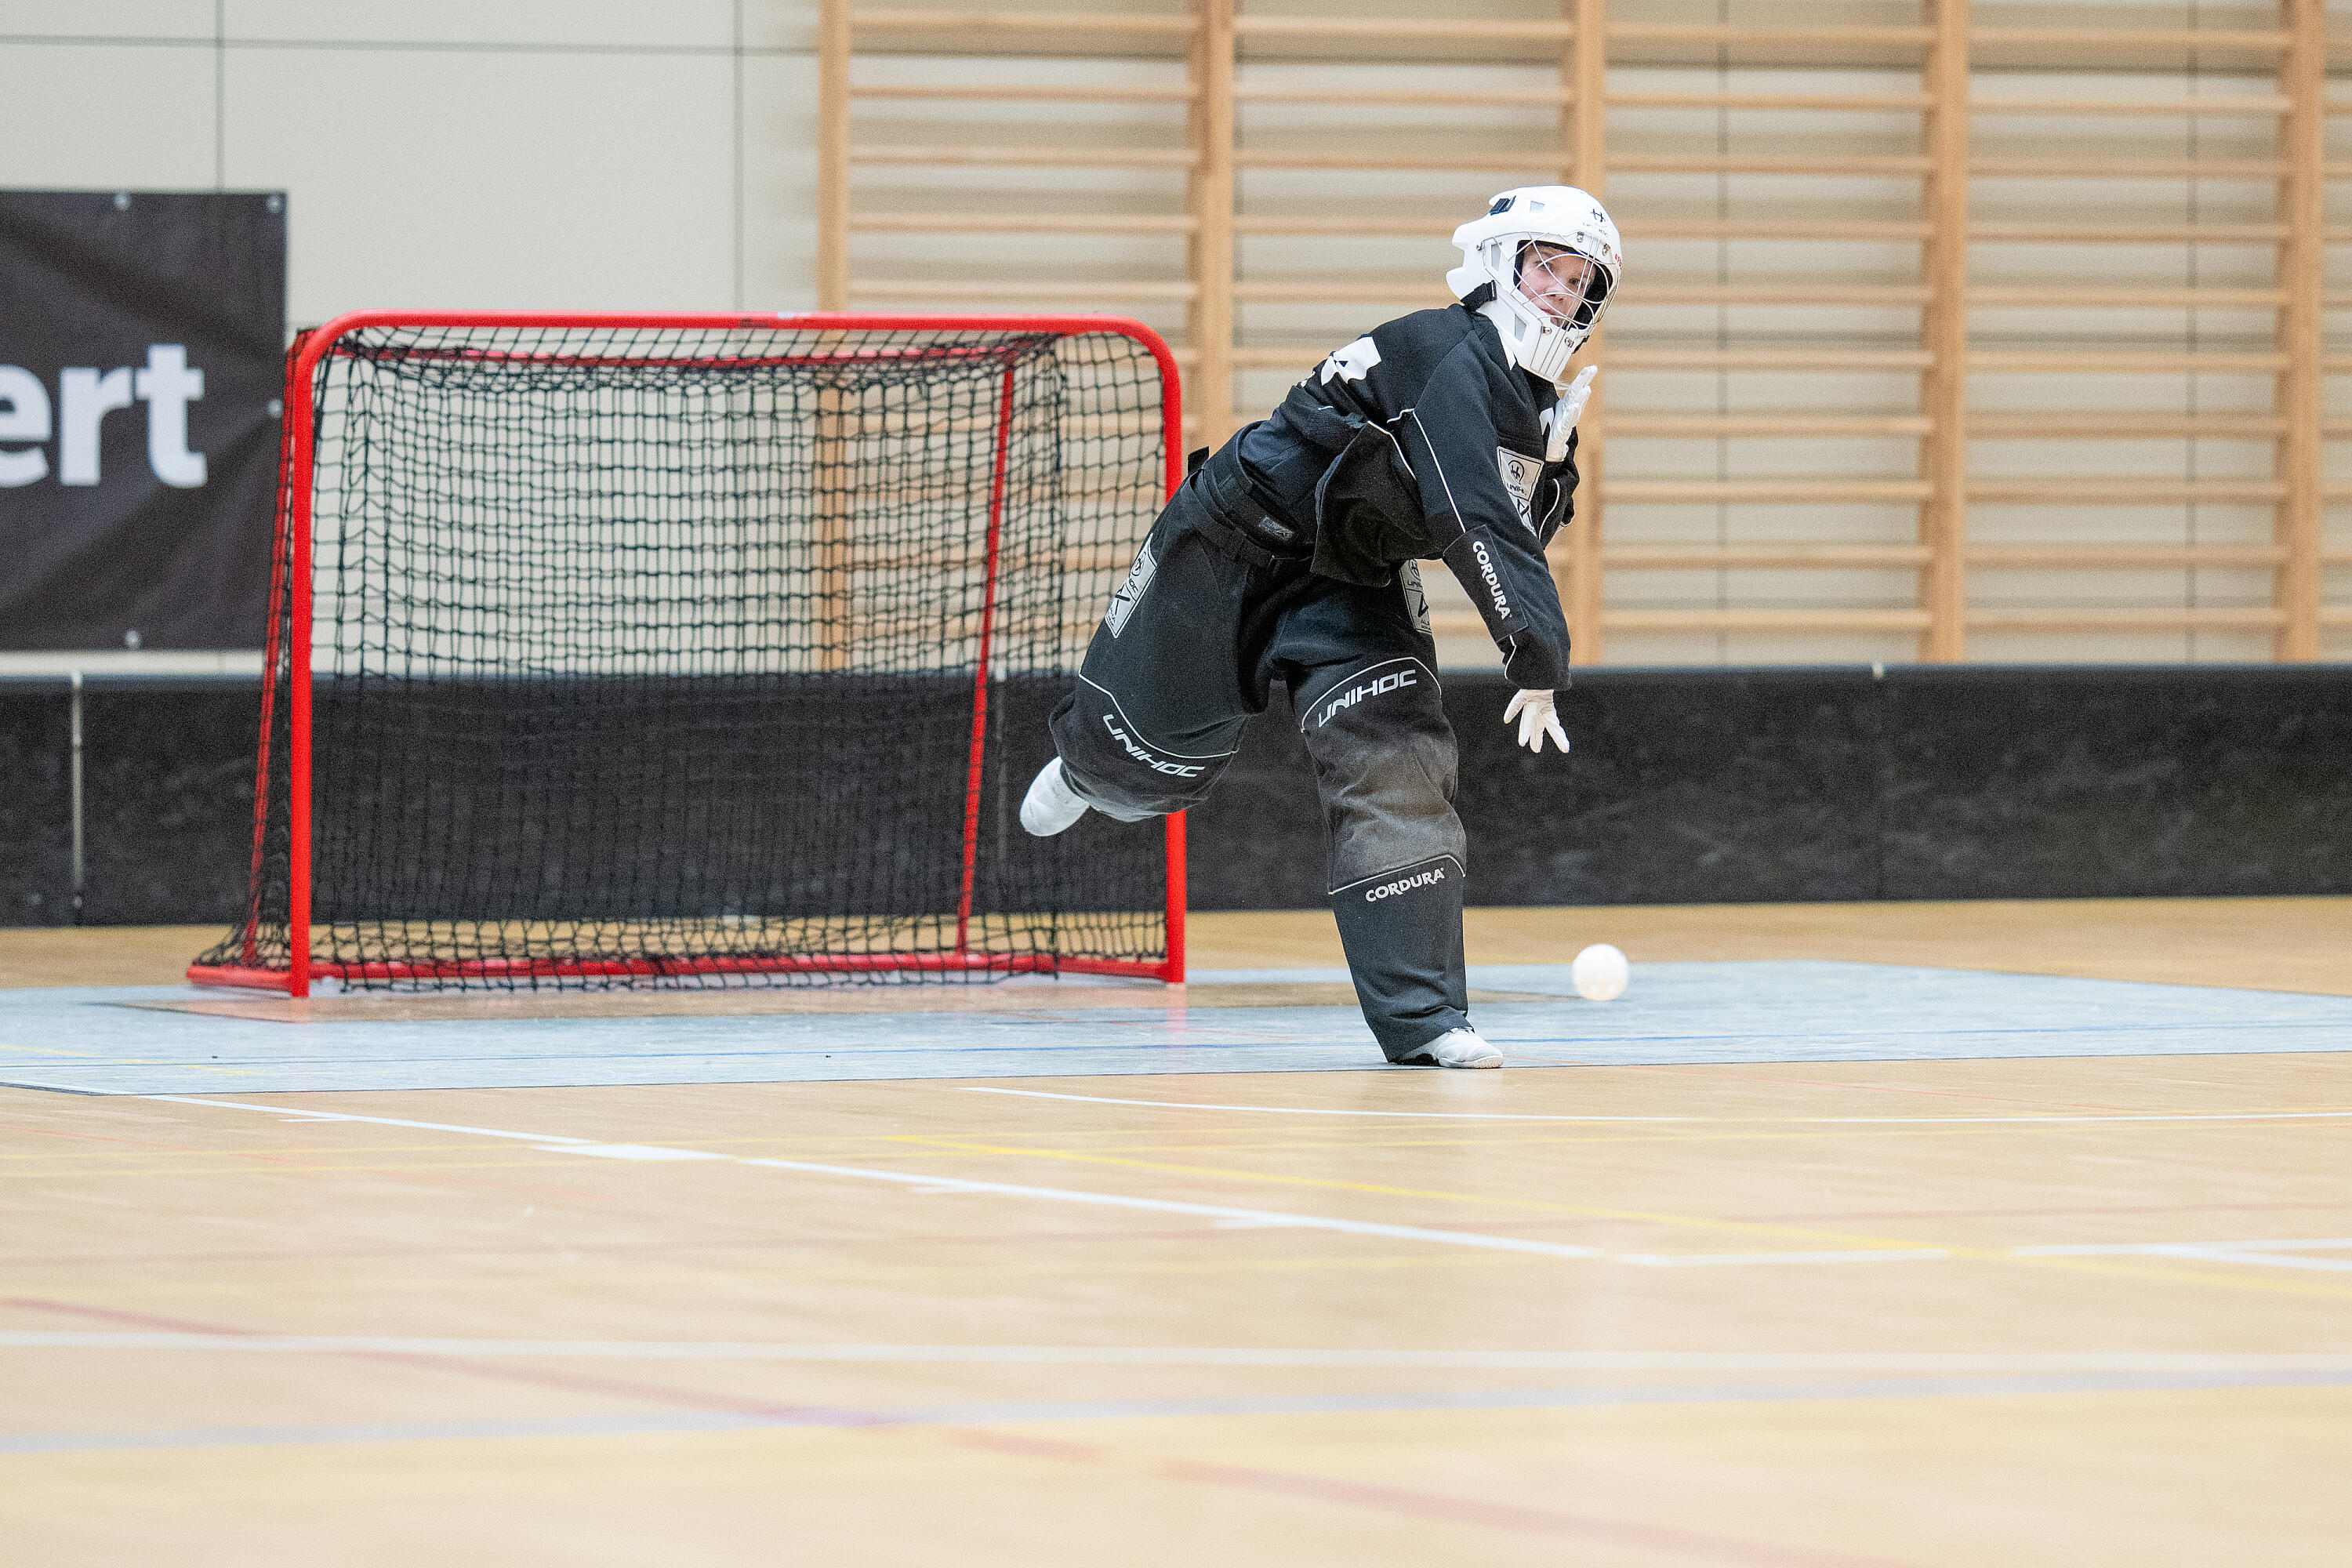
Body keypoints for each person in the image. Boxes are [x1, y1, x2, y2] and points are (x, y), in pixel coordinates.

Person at [1022, 186, 1620, 1069]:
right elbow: (1473, 520)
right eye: (1547, 269)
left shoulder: (1529, 403)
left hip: (1355, 577)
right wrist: (1535, 652)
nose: (1561, 294)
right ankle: (1087, 770)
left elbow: (1510, 527)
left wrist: (1555, 469)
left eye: (1579, 283)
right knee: (1139, 764)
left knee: (1400, 762)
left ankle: (1425, 1020)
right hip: (1234, 544)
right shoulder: (1447, 354)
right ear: (1500, 262)